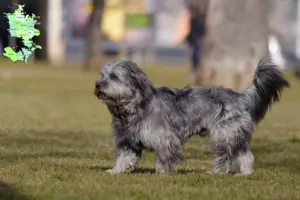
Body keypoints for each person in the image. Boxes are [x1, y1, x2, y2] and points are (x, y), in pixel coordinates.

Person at [173, 5, 206, 81]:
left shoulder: (197, 20)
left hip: (197, 42)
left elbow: (198, 30)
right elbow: (187, 31)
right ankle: (194, 72)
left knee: (196, 57)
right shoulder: (190, 20)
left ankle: (195, 72)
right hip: (194, 42)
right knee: (194, 57)